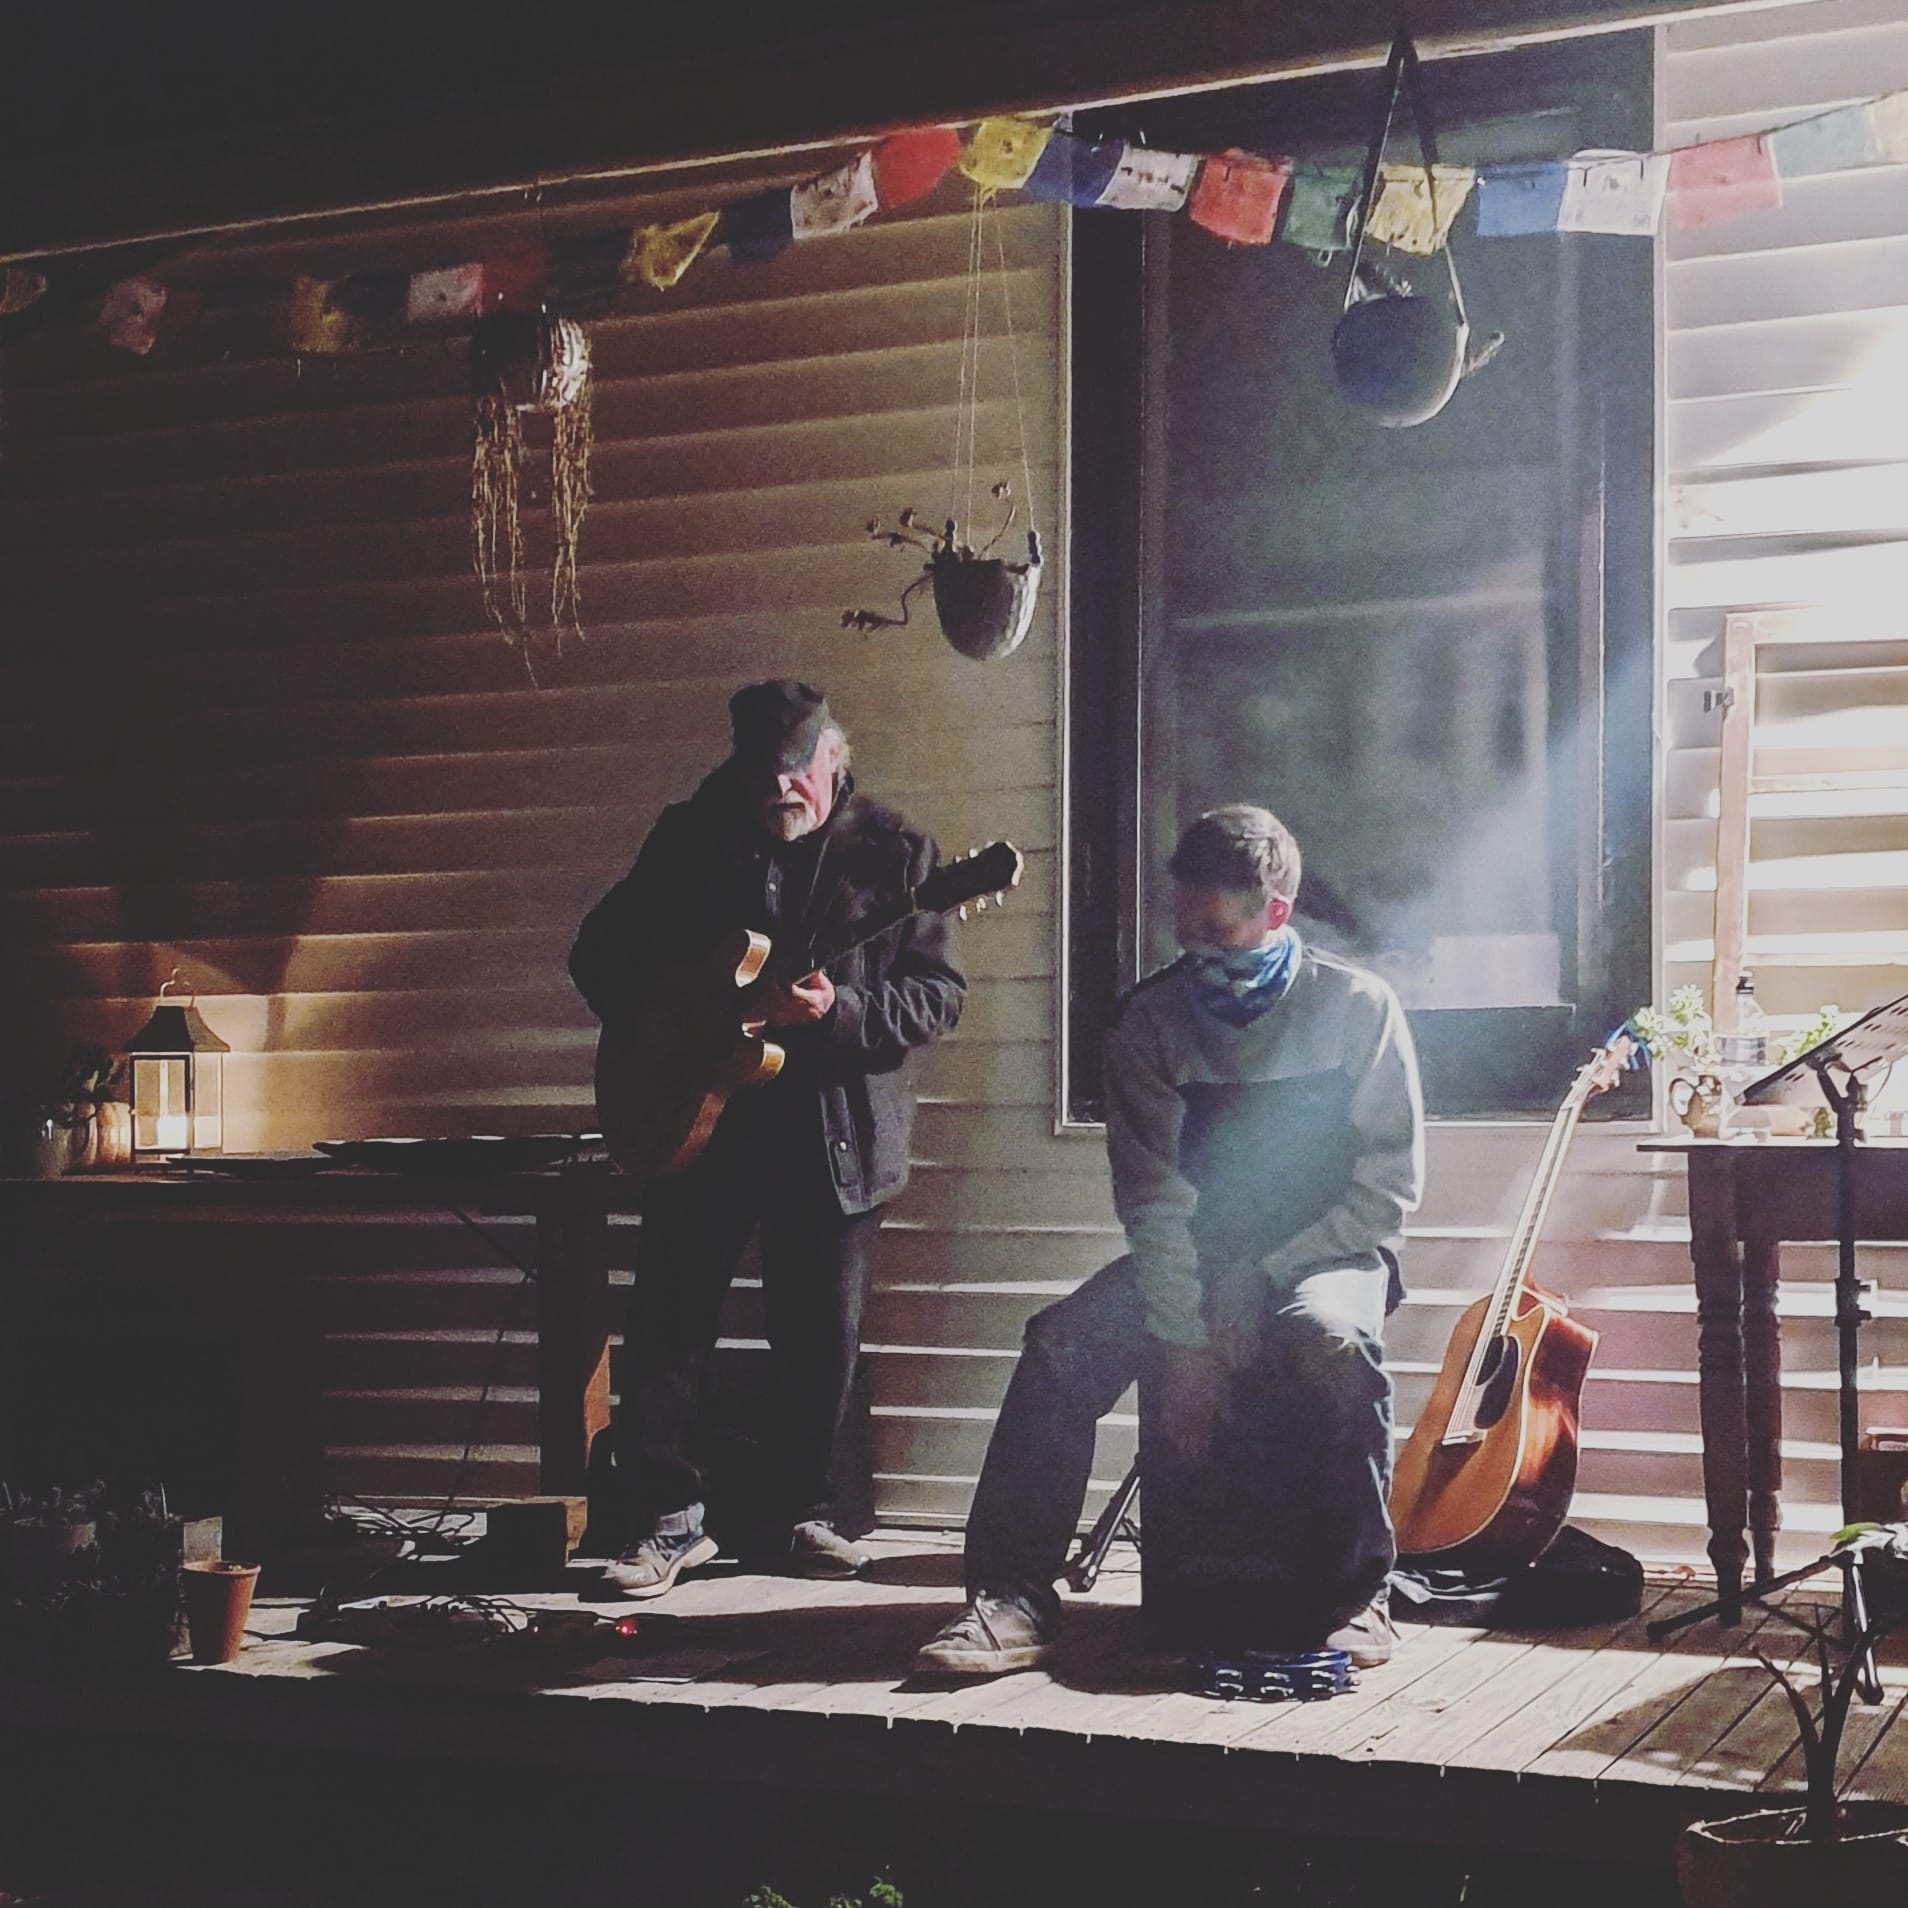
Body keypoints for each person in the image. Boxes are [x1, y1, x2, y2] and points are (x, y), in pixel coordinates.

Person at [916, 805, 1423, 1674]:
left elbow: (1387, 1193)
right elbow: (1152, 1199)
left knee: (1334, 1342)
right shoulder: (1147, 1022)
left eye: (1219, 933)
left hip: (1327, 1254)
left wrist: (1265, 1274)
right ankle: (1011, 1598)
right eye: (1185, 931)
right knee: (1060, 1345)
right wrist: (1184, 1336)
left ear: (1277, 909)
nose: (1199, 954)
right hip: (1192, 1259)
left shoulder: (1358, 1009)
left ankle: (1359, 1595)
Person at [570, 681, 965, 1596]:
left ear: (834, 755)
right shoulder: (690, 836)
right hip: (697, 1117)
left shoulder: (898, 853)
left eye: (798, 777)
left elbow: (937, 998)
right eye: (762, 782)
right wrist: (685, 1011)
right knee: (669, 1322)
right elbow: (598, 956)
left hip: (834, 1130)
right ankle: (663, 1521)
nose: (781, 797)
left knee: (819, 1333)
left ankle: (800, 1514)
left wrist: (839, 1014)